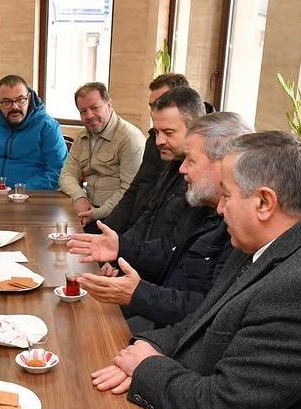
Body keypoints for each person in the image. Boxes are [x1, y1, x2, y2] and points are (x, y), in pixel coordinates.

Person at [91, 131, 301, 409]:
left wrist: (147, 369)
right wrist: (145, 346)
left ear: (264, 202)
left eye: (228, 195)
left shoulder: (300, 288)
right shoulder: (259, 245)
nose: (220, 206)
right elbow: (199, 322)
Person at [70, 112, 251, 330]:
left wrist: (137, 292)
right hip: (161, 323)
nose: (182, 168)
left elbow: (208, 310)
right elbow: (169, 251)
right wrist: (120, 246)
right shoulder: (200, 205)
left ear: (223, 165)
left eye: (190, 160)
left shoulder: (241, 229)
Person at [104, 73, 191, 234]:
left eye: (162, 103)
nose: (156, 111)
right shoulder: (154, 141)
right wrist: (106, 233)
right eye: (152, 105)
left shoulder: (197, 155)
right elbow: (135, 190)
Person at [58, 82, 145, 229]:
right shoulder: (82, 137)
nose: (89, 115)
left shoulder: (129, 138)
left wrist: (96, 213)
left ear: (109, 104)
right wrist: (79, 197)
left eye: (94, 108)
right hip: (87, 211)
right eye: (83, 111)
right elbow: (67, 174)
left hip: (117, 217)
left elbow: (129, 191)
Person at [0, 74, 67, 190]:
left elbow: (58, 170)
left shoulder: (47, 126)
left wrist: (21, 191)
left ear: (28, 98)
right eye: (6, 102)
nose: (15, 107)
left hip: (30, 196)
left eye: (20, 100)